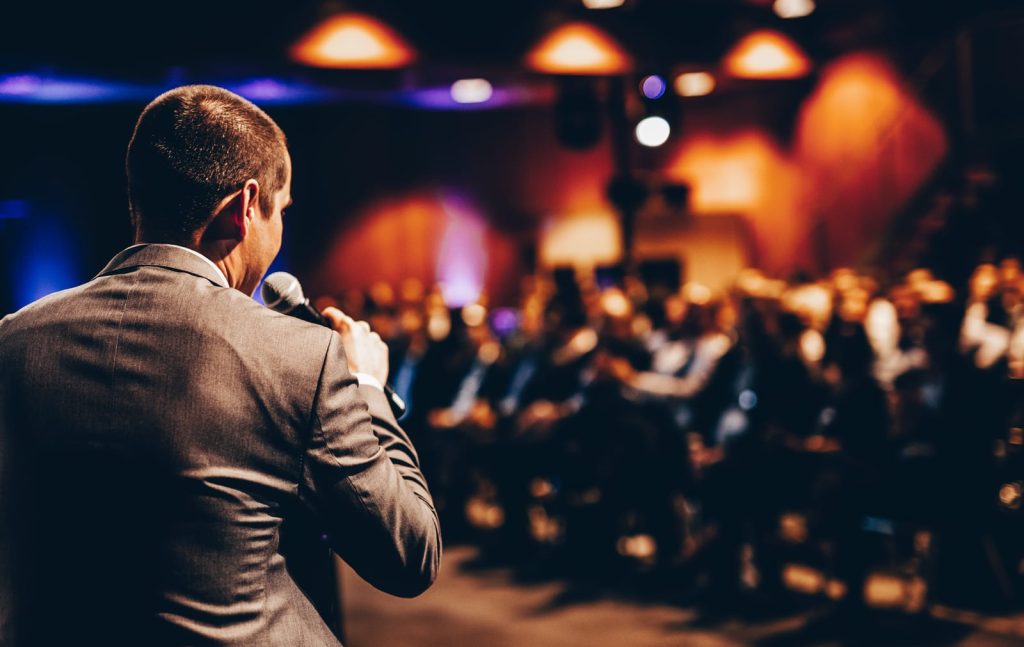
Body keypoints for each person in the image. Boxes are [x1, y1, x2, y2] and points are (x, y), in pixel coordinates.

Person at [0, 85, 441, 646]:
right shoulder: (298, 356)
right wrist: (367, 387)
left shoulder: (13, 341)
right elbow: (410, 554)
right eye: (280, 211)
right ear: (245, 207)